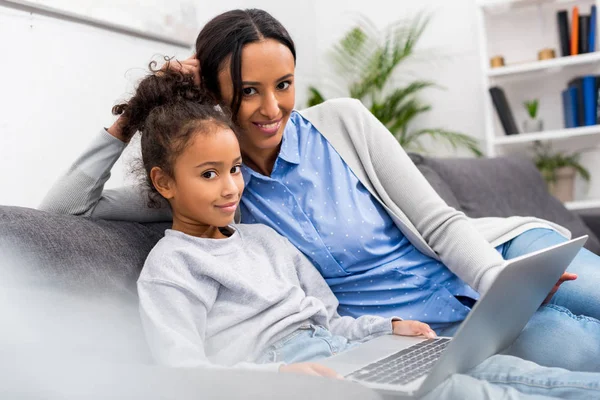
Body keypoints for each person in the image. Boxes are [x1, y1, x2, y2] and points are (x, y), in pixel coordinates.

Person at [40, 8, 600, 374]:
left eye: (283, 85)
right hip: (430, 326)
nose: (271, 108)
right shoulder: (209, 183)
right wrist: (130, 115)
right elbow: (65, 210)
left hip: (495, 261)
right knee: (573, 351)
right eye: (249, 90)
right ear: (214, 89)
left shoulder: (344, 122)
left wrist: (498, 280)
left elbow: (439, 222)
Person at [127, 64, 600, 399]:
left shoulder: (267, 240)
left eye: (234, 170)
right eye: (210, 174)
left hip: (363, 348)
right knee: (473, 389)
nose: (232, 187)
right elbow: (182, 371)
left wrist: (386, 328)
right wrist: (279, 377)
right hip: (304, 374)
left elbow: (329, 319)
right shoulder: (173, 267)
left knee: (504, 370)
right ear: (163, 182)